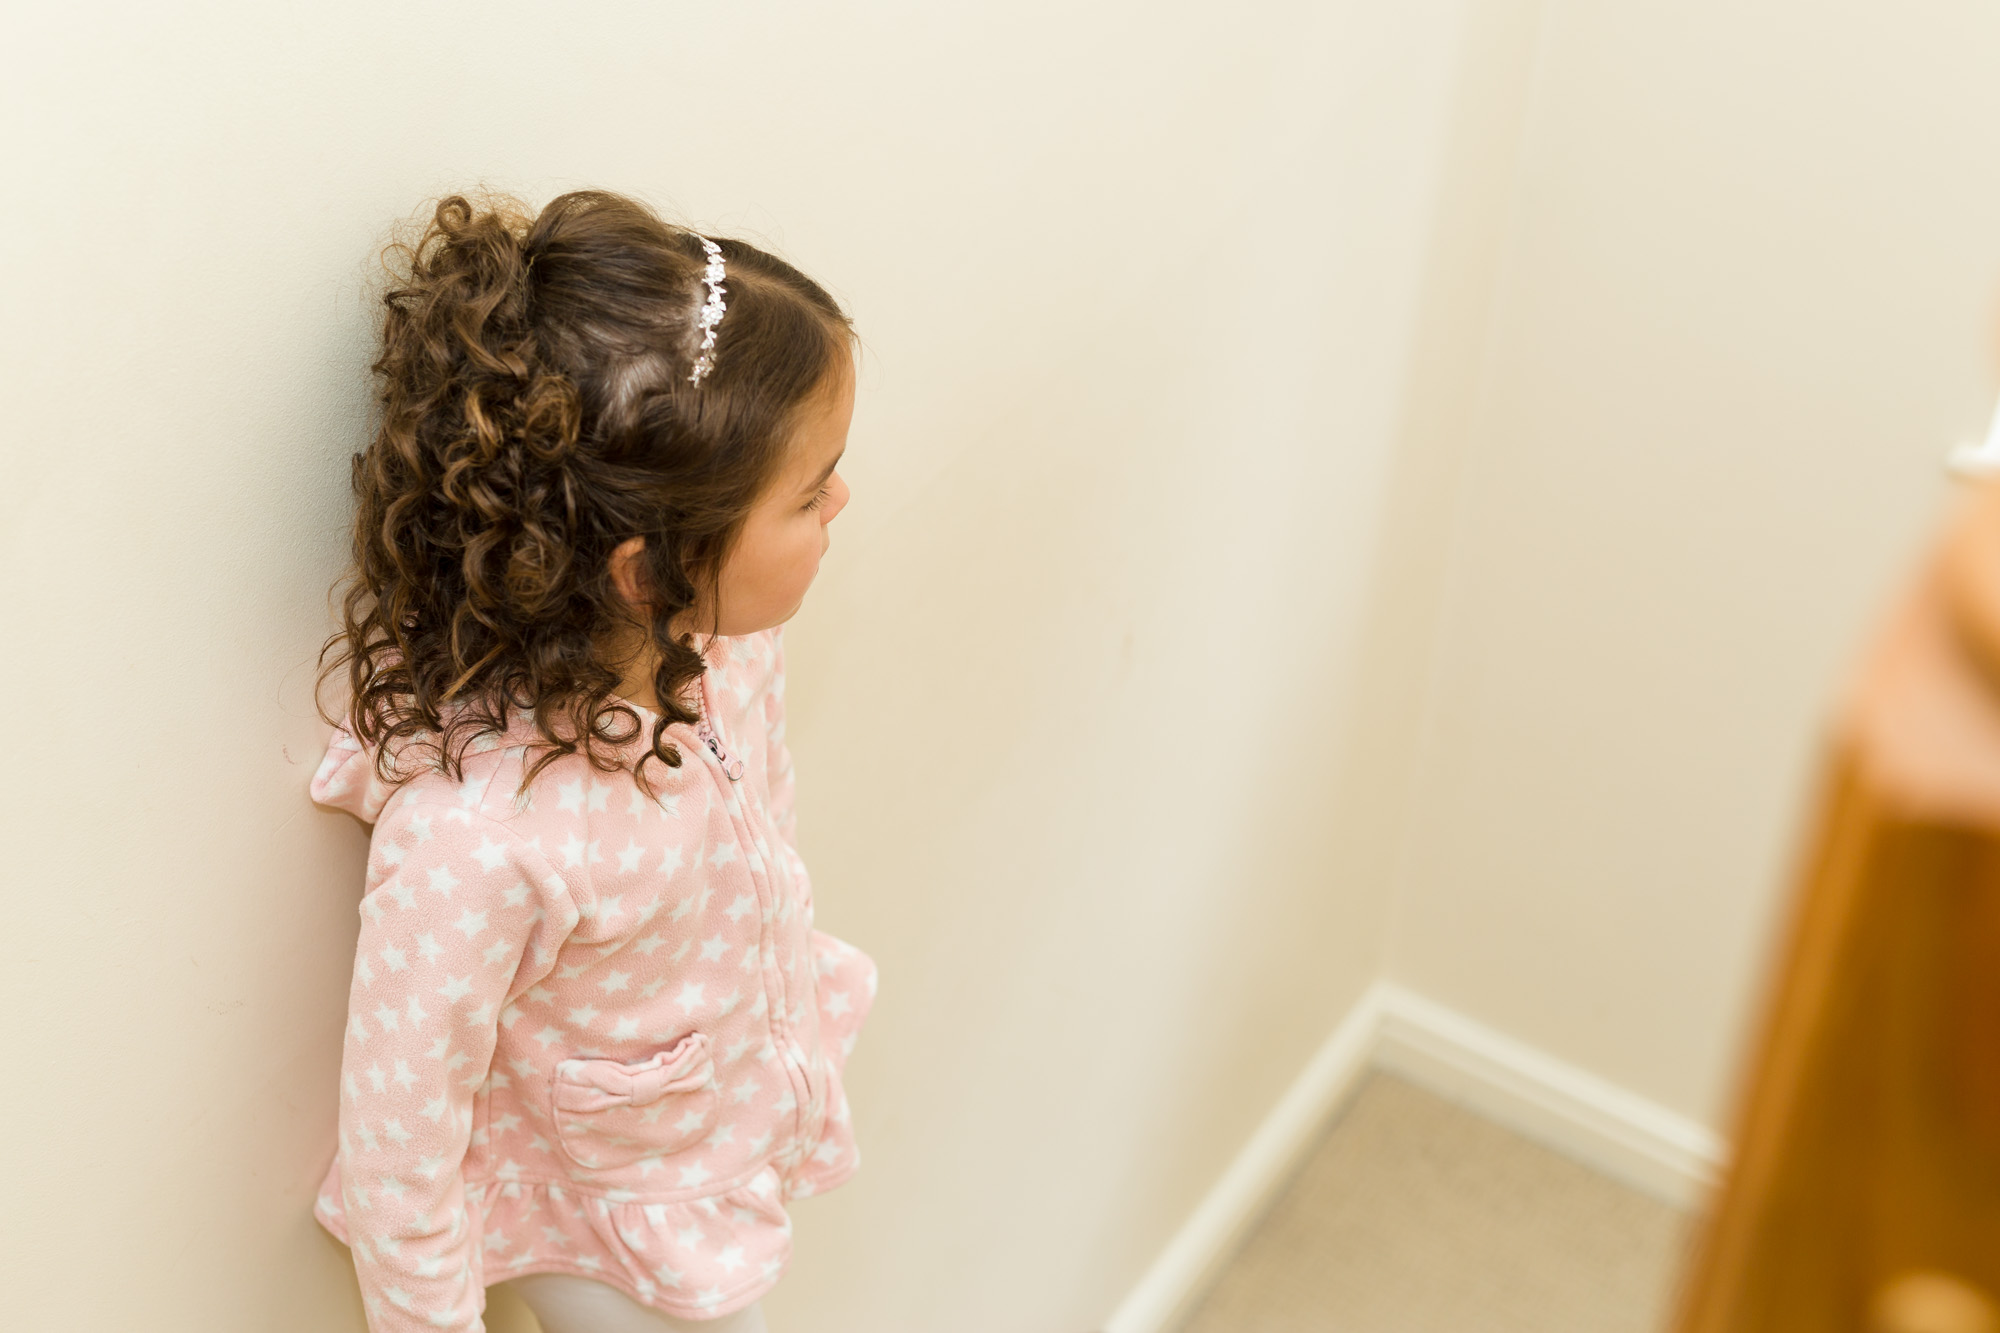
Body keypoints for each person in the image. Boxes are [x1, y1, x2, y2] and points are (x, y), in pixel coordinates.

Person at [309, 190, 875, 1332]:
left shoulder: (724, 649)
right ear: (645, 572)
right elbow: (397, 1152)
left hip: (711, 1128)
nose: (841, 502)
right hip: (606, 1226)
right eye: (810, 494)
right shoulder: (481, 837)